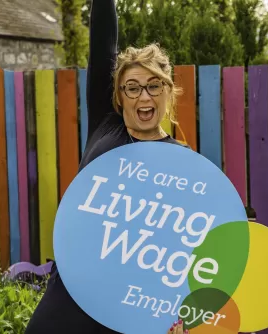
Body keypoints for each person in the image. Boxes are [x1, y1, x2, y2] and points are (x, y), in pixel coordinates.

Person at [25, 0, 189, 332]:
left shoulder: (182, 164)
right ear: (119, 95)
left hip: (125, 308)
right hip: (69, 294)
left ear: (168, 91)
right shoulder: (106, 123)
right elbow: (103, 39)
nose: (144, 96)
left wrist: (178, 313)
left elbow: (184, 249)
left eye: (154, 85)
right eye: (133, 87)